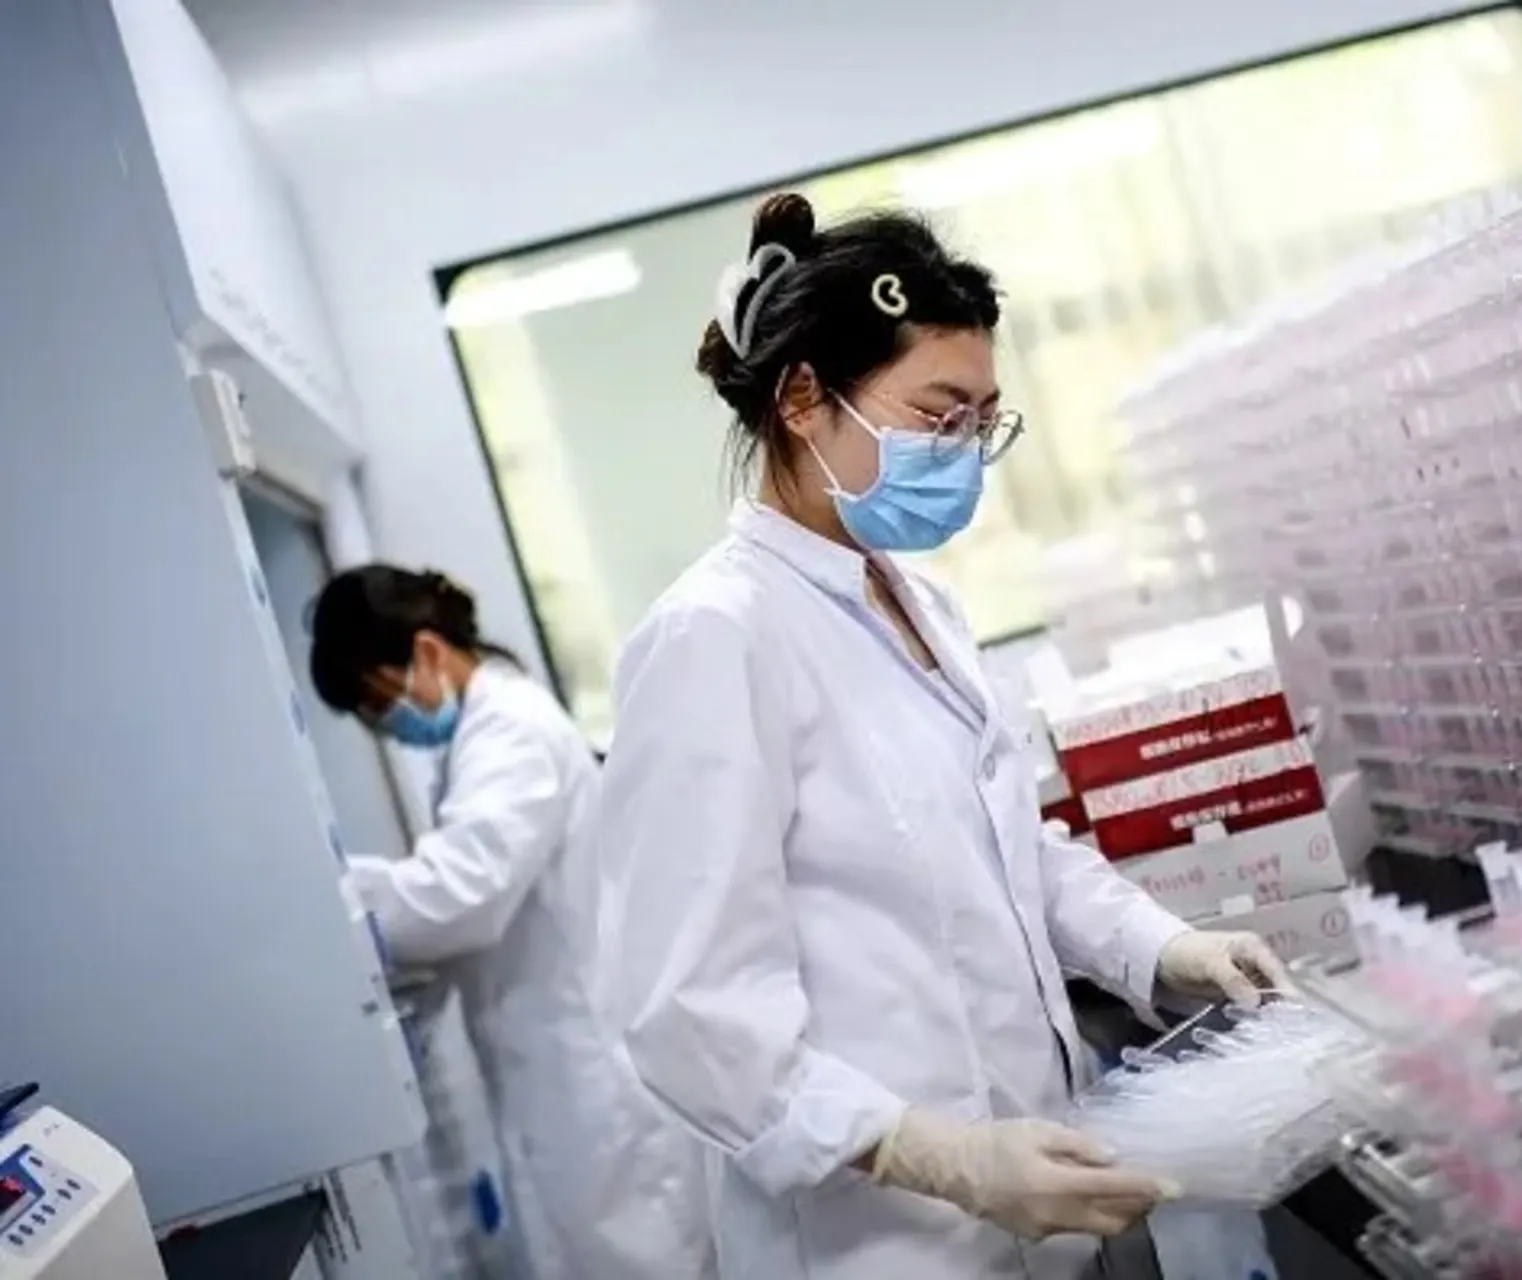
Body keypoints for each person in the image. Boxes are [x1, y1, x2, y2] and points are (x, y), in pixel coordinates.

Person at [592, 193, 1287, 1279]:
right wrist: (938, 1154)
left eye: (983, 418)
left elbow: (1008, 846)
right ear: (803, 398)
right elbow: (689, 1011)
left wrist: (1161, 948)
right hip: (882, 1238)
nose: (965, 450)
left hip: (1043, 1194)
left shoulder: (922, 606)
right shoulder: (714, 637)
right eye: (937, 413)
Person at [307, 565, 713, 1280]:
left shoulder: (512, 733)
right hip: (561, 1068)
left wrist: (333, 907)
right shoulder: (481, 736)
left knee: (644, 1255)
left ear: (428, 652)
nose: (392, 725)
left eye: (382, 700)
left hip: (594, 1077)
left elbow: (460, 892)